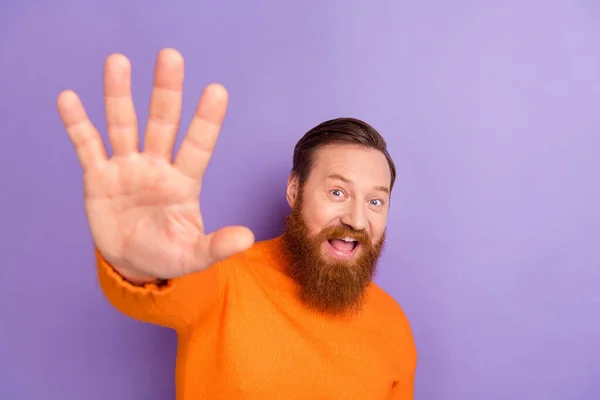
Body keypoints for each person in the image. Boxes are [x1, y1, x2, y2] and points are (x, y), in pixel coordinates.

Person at [56, 48, 417, 399]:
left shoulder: (393, 322)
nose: (356, 218)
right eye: (337, 192)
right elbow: (160, 293)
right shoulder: (223, 277)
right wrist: (135, 261)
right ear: (295, 191)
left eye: (375, 201)